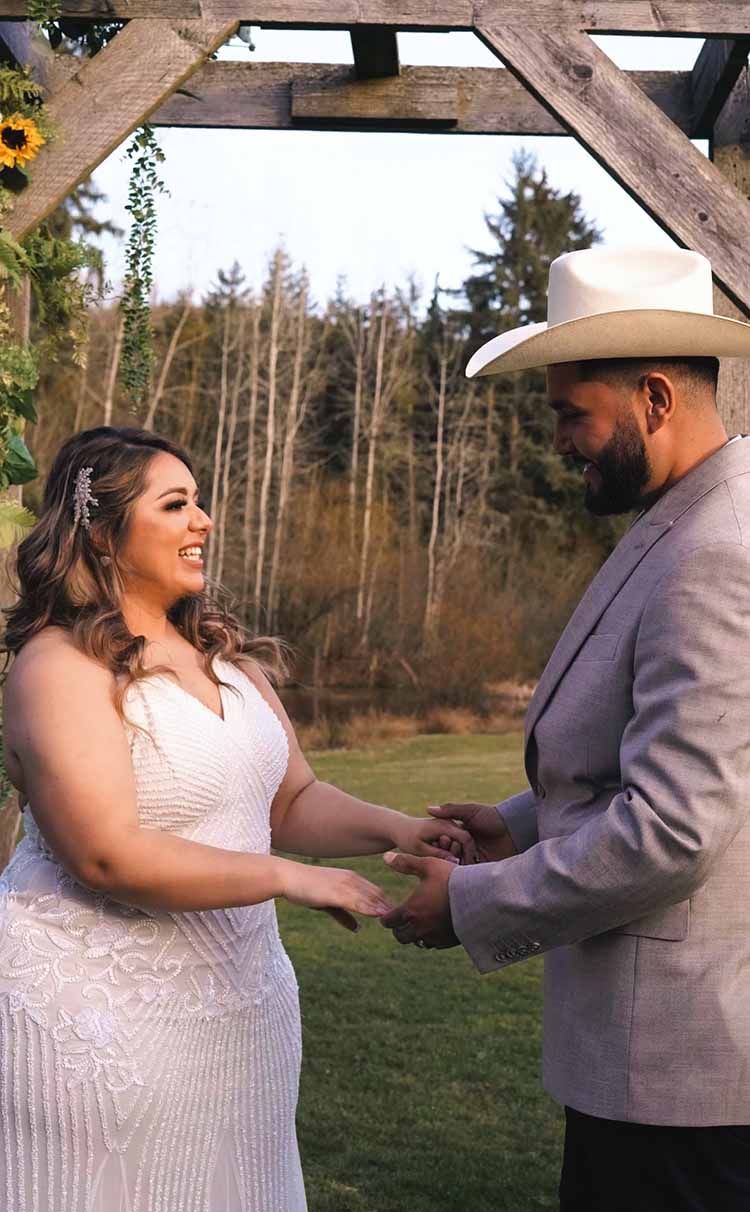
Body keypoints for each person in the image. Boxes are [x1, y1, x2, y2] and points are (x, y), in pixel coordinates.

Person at [0, 425, 468, 1212]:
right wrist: (288, 879)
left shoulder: (227, 660)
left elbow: (288, 801)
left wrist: (397, 828)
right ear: (104, 532)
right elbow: (105, 855)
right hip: (97, 1026)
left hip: (241, 1017)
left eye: (202, 501)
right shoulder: (59, 665)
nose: (204, 520)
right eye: (176, 504)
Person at [381, 246, 750, 1211]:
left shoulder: (717, 552)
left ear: (655, 399)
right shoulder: (688, 519)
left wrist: (472, 902)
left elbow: (673, 829)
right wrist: (524, 821)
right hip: (662, 1080)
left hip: (682, 1084)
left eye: (568, 413)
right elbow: (670, 761)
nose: (558, 440)